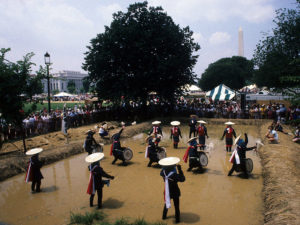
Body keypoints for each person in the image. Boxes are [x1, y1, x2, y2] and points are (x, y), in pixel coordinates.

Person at [159, 157, 185, 223]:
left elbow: (161, 172)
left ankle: (164, 217)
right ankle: (177, 220)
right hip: (175, 192)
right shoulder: (174, 175)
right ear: (173, 167)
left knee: (166, 204)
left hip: (167, 191)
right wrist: (179, 169)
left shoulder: (163, 173)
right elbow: (182, 179)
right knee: (176, 207)